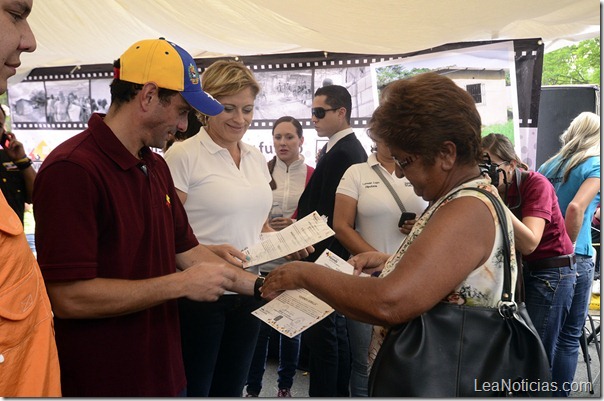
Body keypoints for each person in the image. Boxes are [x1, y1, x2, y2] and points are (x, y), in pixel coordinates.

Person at [33, 38, 266, 397]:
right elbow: (68, 297)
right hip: (106, 377)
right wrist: (180, 285)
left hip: (163, 367)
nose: (185, 125)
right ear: (148, 96)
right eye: (182, 110)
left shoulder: (154, 164)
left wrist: (263, 286)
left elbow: (187, 251)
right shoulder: (72, 169)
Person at [261, 72, 517, 394]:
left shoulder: (466, 208)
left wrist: (305, 274)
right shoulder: (461, 198)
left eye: (406, 161)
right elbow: (444, 274)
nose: (400, 172)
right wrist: (389, 260)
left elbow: (390, 303)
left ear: (447, 154)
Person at [164, 60, 312, 397]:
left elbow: (256, 224)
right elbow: (166, 232)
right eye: (228, 108)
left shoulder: (255, 157)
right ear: (205, 108)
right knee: (197, 387)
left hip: (250, 290)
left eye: (247, 109)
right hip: (200, 295)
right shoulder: (183, 156)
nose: (240, 119)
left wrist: (284, 242)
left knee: (232, 387)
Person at [333, 138, 428, 396]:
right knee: (364, 363)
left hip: (415, 278)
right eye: (387, 133)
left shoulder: (420, 168)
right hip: (367, 278)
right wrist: (379, 258)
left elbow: (441, 218)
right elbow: (341, 226)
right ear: (375, 136)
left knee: (412, 360)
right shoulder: (356, 172)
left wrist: (421, 223)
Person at [0, 0, 61, 396]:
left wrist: (21, 159)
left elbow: (39, 197)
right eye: (15, 14)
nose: (31, 41)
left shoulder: (12, 155)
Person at [294, 84, 368, 397]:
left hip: (326, 258)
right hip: (324, 257)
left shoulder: (346, 152)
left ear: (341, 112)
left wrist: (307, 257)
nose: (313, 118)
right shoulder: (340, 149)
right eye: (312, 111)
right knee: (328, 340)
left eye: (319, 112)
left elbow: (331, 216)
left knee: (326, 342)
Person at [481, 133, 576, 372]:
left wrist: (493, 199)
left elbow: (530, 242)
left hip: (551, 273)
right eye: (480, 166)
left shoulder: (536, 183)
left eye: (491, 166)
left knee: (535, 355)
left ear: (512, 164)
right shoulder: (496, 188)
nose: (486, 173)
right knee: (520, 352)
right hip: (523, 273)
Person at [245, 116, 314, 398]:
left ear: (301, 140)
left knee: (291, 330)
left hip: (295, 262)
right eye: (277, 137)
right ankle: (253, 387)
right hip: (261, 261)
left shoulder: (313, 174)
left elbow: (318, 218)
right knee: (258, 332)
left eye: (289, 137)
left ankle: (285, 387)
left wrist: (297, 226)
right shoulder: (261, 172)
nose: (282, 143)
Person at [538, 111, 600, 396]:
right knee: (568, 337)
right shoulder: (596, 164)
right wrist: (569, 248)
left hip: (541, 257)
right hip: (576, 256)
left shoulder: (549, 165)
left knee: (542, 338)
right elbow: (576, 208)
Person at [0, 101, 36, 224]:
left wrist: (22, 161)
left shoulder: (9, 159)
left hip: (13, 240)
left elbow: (35, 196)